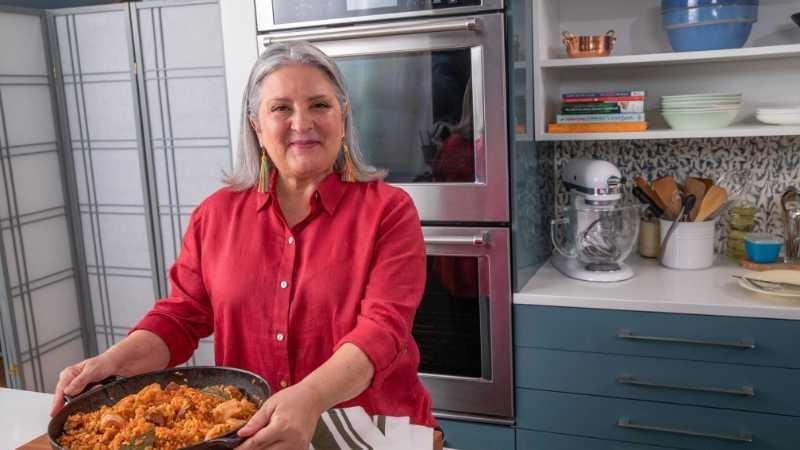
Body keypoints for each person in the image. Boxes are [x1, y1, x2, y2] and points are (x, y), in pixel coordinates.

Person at [51, 41, 439, 450]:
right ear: (256, 124)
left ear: (343, 115)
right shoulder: (214, 216)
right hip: (253, 433)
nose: (301, 122)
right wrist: (113, 363)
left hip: (371, 427)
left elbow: (381, 331)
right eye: (281, 108)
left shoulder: (389, 212)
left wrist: (307, 399)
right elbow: (181, 318)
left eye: (320, 105)